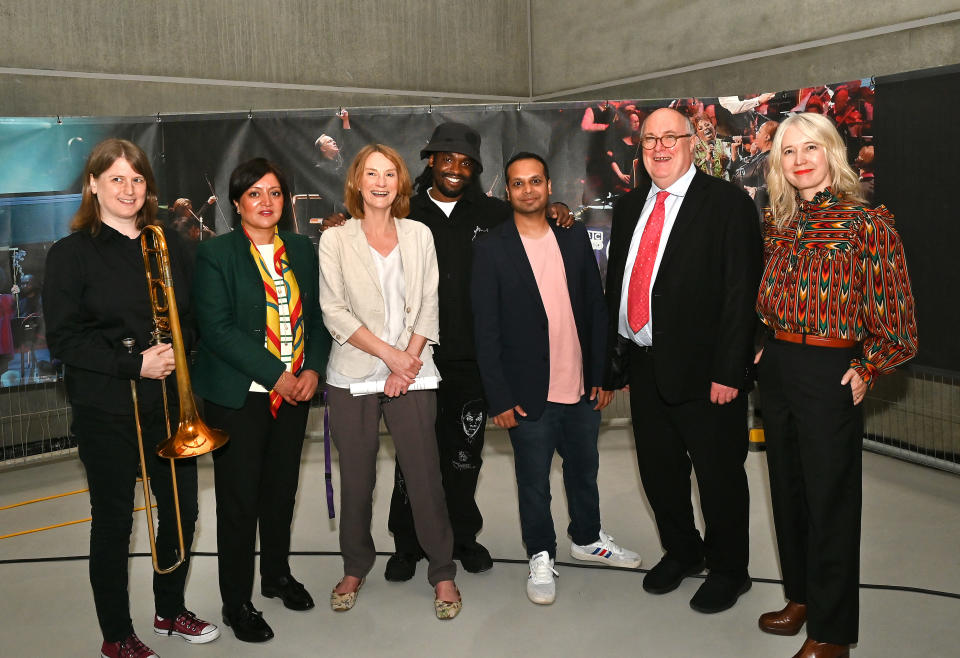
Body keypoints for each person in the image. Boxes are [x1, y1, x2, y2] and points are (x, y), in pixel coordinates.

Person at [323, 121, 572, 582]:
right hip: (413, 360)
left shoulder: (495, 213)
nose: (455, 169)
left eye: (465, 162)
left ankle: (462, 536)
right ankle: (407, 544)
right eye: (446, 159)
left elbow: (534, 222)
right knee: (410, 460)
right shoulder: (406, 211)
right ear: (430, 162)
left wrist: (556, 210)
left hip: (474, 360)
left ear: (475, 168)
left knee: (464, 455)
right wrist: (342, 221)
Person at [43, 138, 219, 658]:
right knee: (115, 523)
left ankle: (170, 610)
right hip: (107, 407)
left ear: (149, 189)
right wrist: (134, 363)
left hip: (168, 404)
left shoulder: (169, 244)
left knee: (183, 515)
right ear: (93, 184)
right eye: (116, 178)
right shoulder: (70, 254)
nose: (128, 188)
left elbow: (191, 320)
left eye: (137, 179)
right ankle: (116, 635)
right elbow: (65, 340)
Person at [755, 113, 917, 658]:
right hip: (777, 367)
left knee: (831, 503)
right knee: (788, 493)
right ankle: (801, 598)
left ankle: (833, 632)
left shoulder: (867, 223)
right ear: (778, 163)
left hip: (829, 372)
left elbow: (898, 321)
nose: (800, 160)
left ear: (832, 154)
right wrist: (763, 345)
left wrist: (868, 368)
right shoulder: (779, 222)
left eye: (811, 148)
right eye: (788, 151)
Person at [602, 108, 762, 614]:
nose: (660, 147)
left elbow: (742, 293)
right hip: (647, 368)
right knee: (659, 473)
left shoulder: (727, 204)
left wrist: (730, 371)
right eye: (650, 138)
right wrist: (619, 357)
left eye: (671, 137)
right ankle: (683, 552)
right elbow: (621, 285)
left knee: (718, 478)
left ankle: (730, 570)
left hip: (708, 374)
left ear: (694, 143)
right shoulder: (630, 207)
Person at [471, 152, 641, 606]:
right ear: (508, 191)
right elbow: (484, 331)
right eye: (518, 183)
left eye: (536, 182)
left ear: (549, 187)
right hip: (527, 394)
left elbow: (595, 309)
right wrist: (499, 398)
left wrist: (602, 373)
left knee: (584, 470)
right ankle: (540, 554)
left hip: (580, 385)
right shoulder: (490, 247)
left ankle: (586, 539)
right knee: (534, 482)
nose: (528, 190)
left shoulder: (573, 237)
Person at [318, 144, 462, 620]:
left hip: (415, 368)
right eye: (371, 174)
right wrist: (391, 358)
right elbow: (334, 312)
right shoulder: (335, 239)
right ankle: (356, 565)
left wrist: (409, 361)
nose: (380, 183)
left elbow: (428, 302)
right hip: (354, 371)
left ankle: (442, 572)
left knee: (425, 479)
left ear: (401, 183)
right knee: (357, 481)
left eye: (390, 174)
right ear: (357, 181)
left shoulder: (419, 234)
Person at [191, 158, 330, 642]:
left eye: (274, 192)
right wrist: (278, 376)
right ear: (236, 203)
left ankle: (276, 576)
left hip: (295, 395)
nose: (266, 202)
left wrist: (311, 367)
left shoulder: (300, 249)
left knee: (280, 493)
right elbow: (218, 331)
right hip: (240, 398)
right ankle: (237, 601)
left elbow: (315, 316)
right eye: (254, 194)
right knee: (238, 502)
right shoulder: (216, 255)